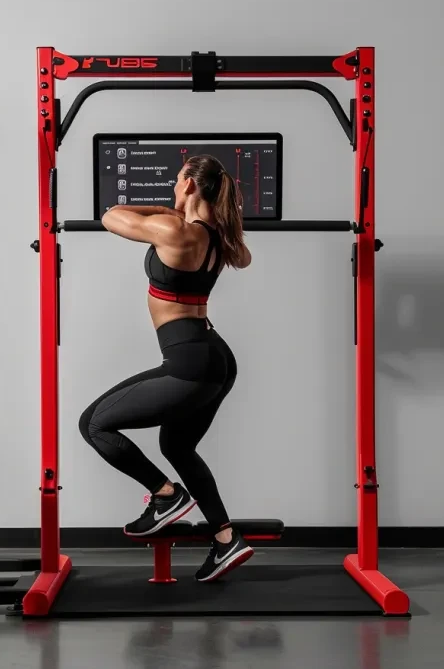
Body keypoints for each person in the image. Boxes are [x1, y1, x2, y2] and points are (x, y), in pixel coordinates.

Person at [78, 154, 254, 582]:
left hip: (189, 361)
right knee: (178, 448)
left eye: (178, 181)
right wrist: (179, 210)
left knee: (94, 424)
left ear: (191, 186)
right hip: (215, 358)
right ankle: (226, 538)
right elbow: (242, 257)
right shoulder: (220, 238)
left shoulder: (175, 229)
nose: (173, 188)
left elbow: (111, 216)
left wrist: (167, 210)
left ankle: (166, 497)